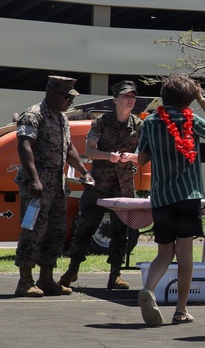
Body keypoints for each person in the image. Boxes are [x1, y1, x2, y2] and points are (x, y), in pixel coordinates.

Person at [135, 74, 205, 326]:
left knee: (164, 252)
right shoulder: (190, 120)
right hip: (188, 197)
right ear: (189, 99)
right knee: (185, 255)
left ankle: (149, 289)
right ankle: (181, 310)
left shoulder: (150, 123)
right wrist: (202, 99)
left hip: (161, 197)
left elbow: (141, 160)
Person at [59, 80, 144, 291]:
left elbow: (144, 156)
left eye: (132, 97)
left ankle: (115, 274)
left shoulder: (139, 125)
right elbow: (89, 150)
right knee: (84, 229)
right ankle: (72, 269)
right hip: (98, 186)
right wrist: (109, 156)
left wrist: (132, 157)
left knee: (120, 233)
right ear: (115, 100)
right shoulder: (101, 122)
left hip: (123, 188)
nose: (130, 100)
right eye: (126, 96)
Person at [13, 76, 91, 297]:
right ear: (53, 94)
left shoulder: (62, 119)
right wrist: (35, 179)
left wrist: (84, 172)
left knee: (56, 232)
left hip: (57, 187)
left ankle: (46, 279)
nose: (70, 101)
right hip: (36, 188)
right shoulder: (33, 115)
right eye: (67, 97)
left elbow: (70, 149)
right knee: (33, 231)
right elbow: (24, 146)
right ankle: (25, 281)